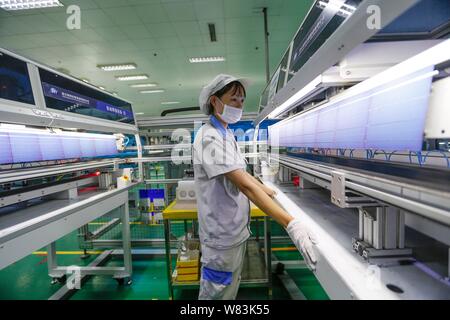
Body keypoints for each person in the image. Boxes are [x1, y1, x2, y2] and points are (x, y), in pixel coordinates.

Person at [193, 74, 317, 300]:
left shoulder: (226, 133)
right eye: (234, 100)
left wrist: (262, 186)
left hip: (234, 232)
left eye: (242, 100)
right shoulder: (209, 137)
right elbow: (244, 185)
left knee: (228, 293)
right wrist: (291, 224)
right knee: (216, 295)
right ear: (214, 101)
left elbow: (243, 175)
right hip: (221, 238)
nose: (239, 105)